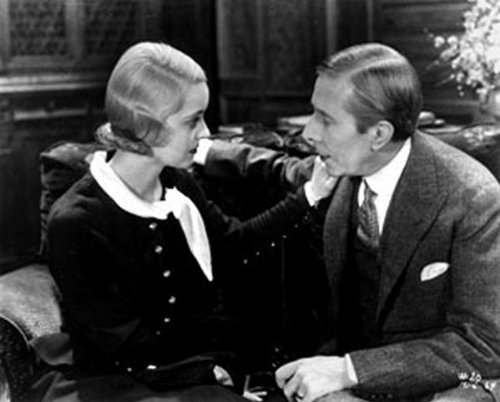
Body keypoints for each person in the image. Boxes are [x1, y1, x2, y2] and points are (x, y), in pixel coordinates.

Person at [198, 43, 500, 401]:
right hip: (346, 382)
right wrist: (200, 148)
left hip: (440, 386)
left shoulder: (473, 198)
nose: (309, 132)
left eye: (326, 119)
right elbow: (279, 167)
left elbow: (483, 345)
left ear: (379, 135)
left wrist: (350, 370)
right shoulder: (340, 169)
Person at [34, 42, 335, 402]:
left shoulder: (178, 183)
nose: (205, 133)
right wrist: (206, 372)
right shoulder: (76, 221)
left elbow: (235, 244)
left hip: (191, 371)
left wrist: (310, 194)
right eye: (193, 120)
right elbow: (119, 340)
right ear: (147, 126)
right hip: (116, 382)